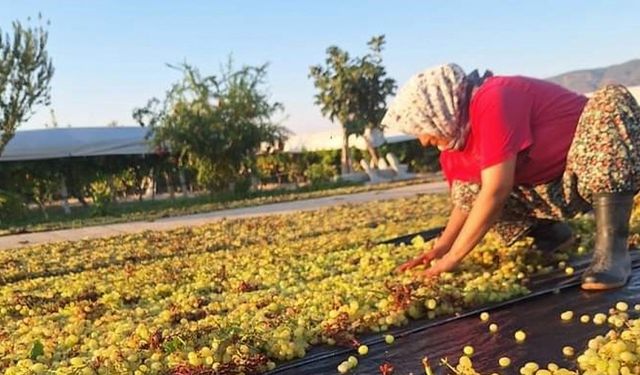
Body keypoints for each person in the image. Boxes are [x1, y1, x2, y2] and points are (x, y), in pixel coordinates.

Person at [382, 63, 640, 291]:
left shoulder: (494, 97)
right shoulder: (454, 142)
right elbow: (465, 202)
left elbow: (496, 191)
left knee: (609, 100)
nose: (424, 141)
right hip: (555, 189)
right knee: (467, 189)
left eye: (422, 128)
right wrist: (443, 246)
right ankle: (554, 236)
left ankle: (612, 252)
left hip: (592, 173)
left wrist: (453, 260)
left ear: (438, 109)